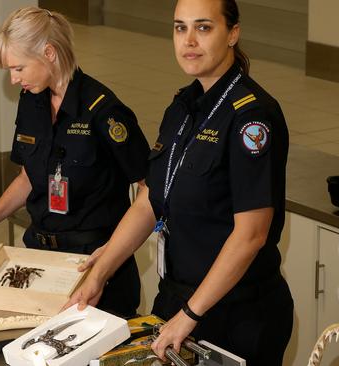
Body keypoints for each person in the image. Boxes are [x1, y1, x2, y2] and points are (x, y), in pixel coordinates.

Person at [65, 0, 293, 364]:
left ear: (232, 33)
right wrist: (101, 272)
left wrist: (190, 315)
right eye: (179, 27)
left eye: (203, 28)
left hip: (235, 312)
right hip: (177, 297)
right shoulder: (184, 106)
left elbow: (251, 235)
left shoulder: (252, 118)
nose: (189, 40)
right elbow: (149, 200)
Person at [0, 7, 149, 318]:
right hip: (41, 257)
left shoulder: (104, 111)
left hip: (94, 264)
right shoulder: (33, 100)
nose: (14, 79)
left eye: (18, 68)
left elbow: (148, 188)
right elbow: (28, 177)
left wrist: (113, 253)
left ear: (49, 53)